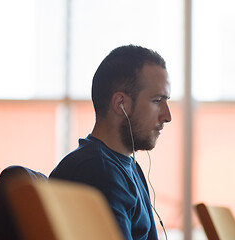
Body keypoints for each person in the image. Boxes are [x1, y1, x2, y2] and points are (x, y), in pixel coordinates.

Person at [49, 45, 172, 240]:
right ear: (120, 104)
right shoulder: (98, 172)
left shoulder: (128, 168)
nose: (168, 116)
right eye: (157, 100)